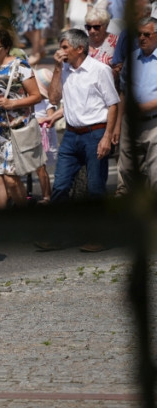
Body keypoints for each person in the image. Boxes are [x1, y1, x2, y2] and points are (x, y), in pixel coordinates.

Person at [38, 29, 119, 251]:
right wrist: (56, 69)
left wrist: (107, 137)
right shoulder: (63, 70)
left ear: (79, 48)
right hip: (72, 135)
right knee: (61, 187)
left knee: (95, 187)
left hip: (95, 133)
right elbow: (54, 98)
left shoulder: (99, 70)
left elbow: (113, 103)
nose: (60, 52)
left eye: (64, 47)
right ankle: (57, 235)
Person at [0, 29, 42, 210]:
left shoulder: (20, 66)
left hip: (14, 131)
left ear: (6, 48)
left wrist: (13, 104)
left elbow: (36, 96)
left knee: (12, 180)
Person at [114, 17, 157, 192]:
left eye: (147, 34)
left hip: (154, 123)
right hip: (130, 123)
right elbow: (123, 92)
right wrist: (117, 126)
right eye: (139, 34)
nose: (142, 38)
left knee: (155, 175)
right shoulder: (132, 58)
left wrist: (147, 107)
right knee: (126, 172)